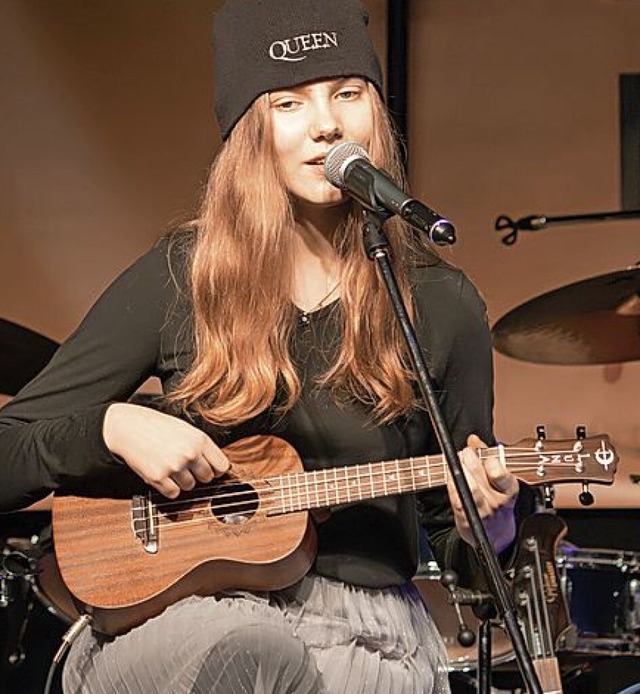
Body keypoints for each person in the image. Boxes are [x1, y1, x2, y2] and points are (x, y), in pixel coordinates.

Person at [0, 0, 533, 692]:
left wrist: (485, 527)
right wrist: (110, 426)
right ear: (251, 132)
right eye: (289, 103)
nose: (326, 124)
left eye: (347, 94)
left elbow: (464, 548)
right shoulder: (182, 277)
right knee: (249, 646)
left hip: (364, 637)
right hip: (185, 627)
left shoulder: (440, 304)